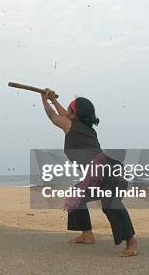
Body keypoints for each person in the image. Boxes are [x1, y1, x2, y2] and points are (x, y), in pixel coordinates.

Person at [40, 89, 139, 257]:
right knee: (76, 195)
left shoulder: (71, 126)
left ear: (74, 114)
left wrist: (44, 100)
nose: (66, 112)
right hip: (98, 175)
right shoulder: (82, 126)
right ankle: (87, 234)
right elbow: (65, 113)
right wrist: (53, 100)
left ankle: (132, 242)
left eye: (70, 110)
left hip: (108, 173)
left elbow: (53, 116)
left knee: (110, 204)